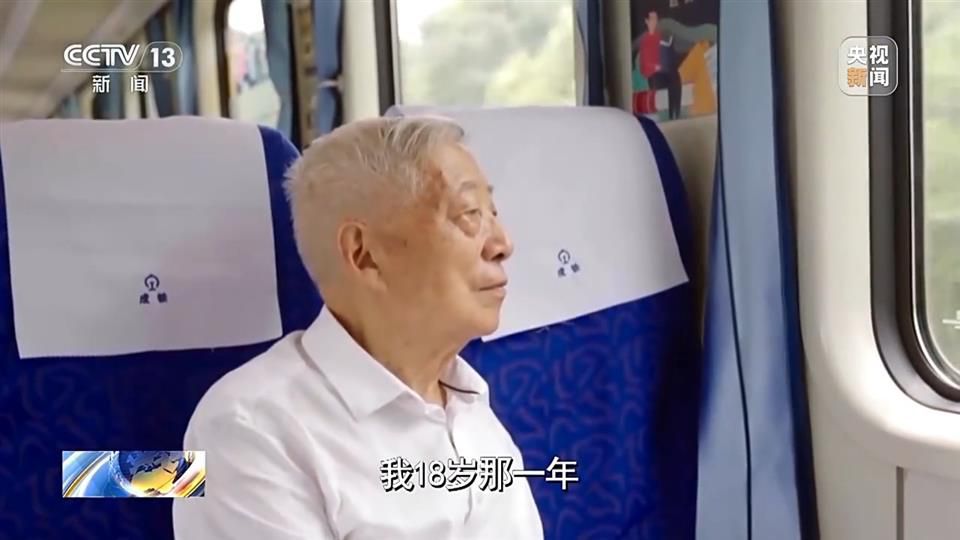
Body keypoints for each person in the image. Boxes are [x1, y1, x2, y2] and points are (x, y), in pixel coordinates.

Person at [172, 116, 543, 539]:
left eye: (493, 213)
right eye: (469, 214)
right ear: (365, 254)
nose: (503, 244)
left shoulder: (470, 404)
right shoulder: (245, 430)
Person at [638, 10, 682, 119]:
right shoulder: (645, 40)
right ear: (647, 21)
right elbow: (644, 64)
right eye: (652, 19)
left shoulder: (660, 36)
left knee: (675, 76)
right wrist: (656, 66)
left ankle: (675, 113)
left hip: (666, 71)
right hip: (654, 74)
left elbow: (669, 55)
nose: (655, 21)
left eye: (656, 19)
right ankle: (671, 114)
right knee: (668, 76)